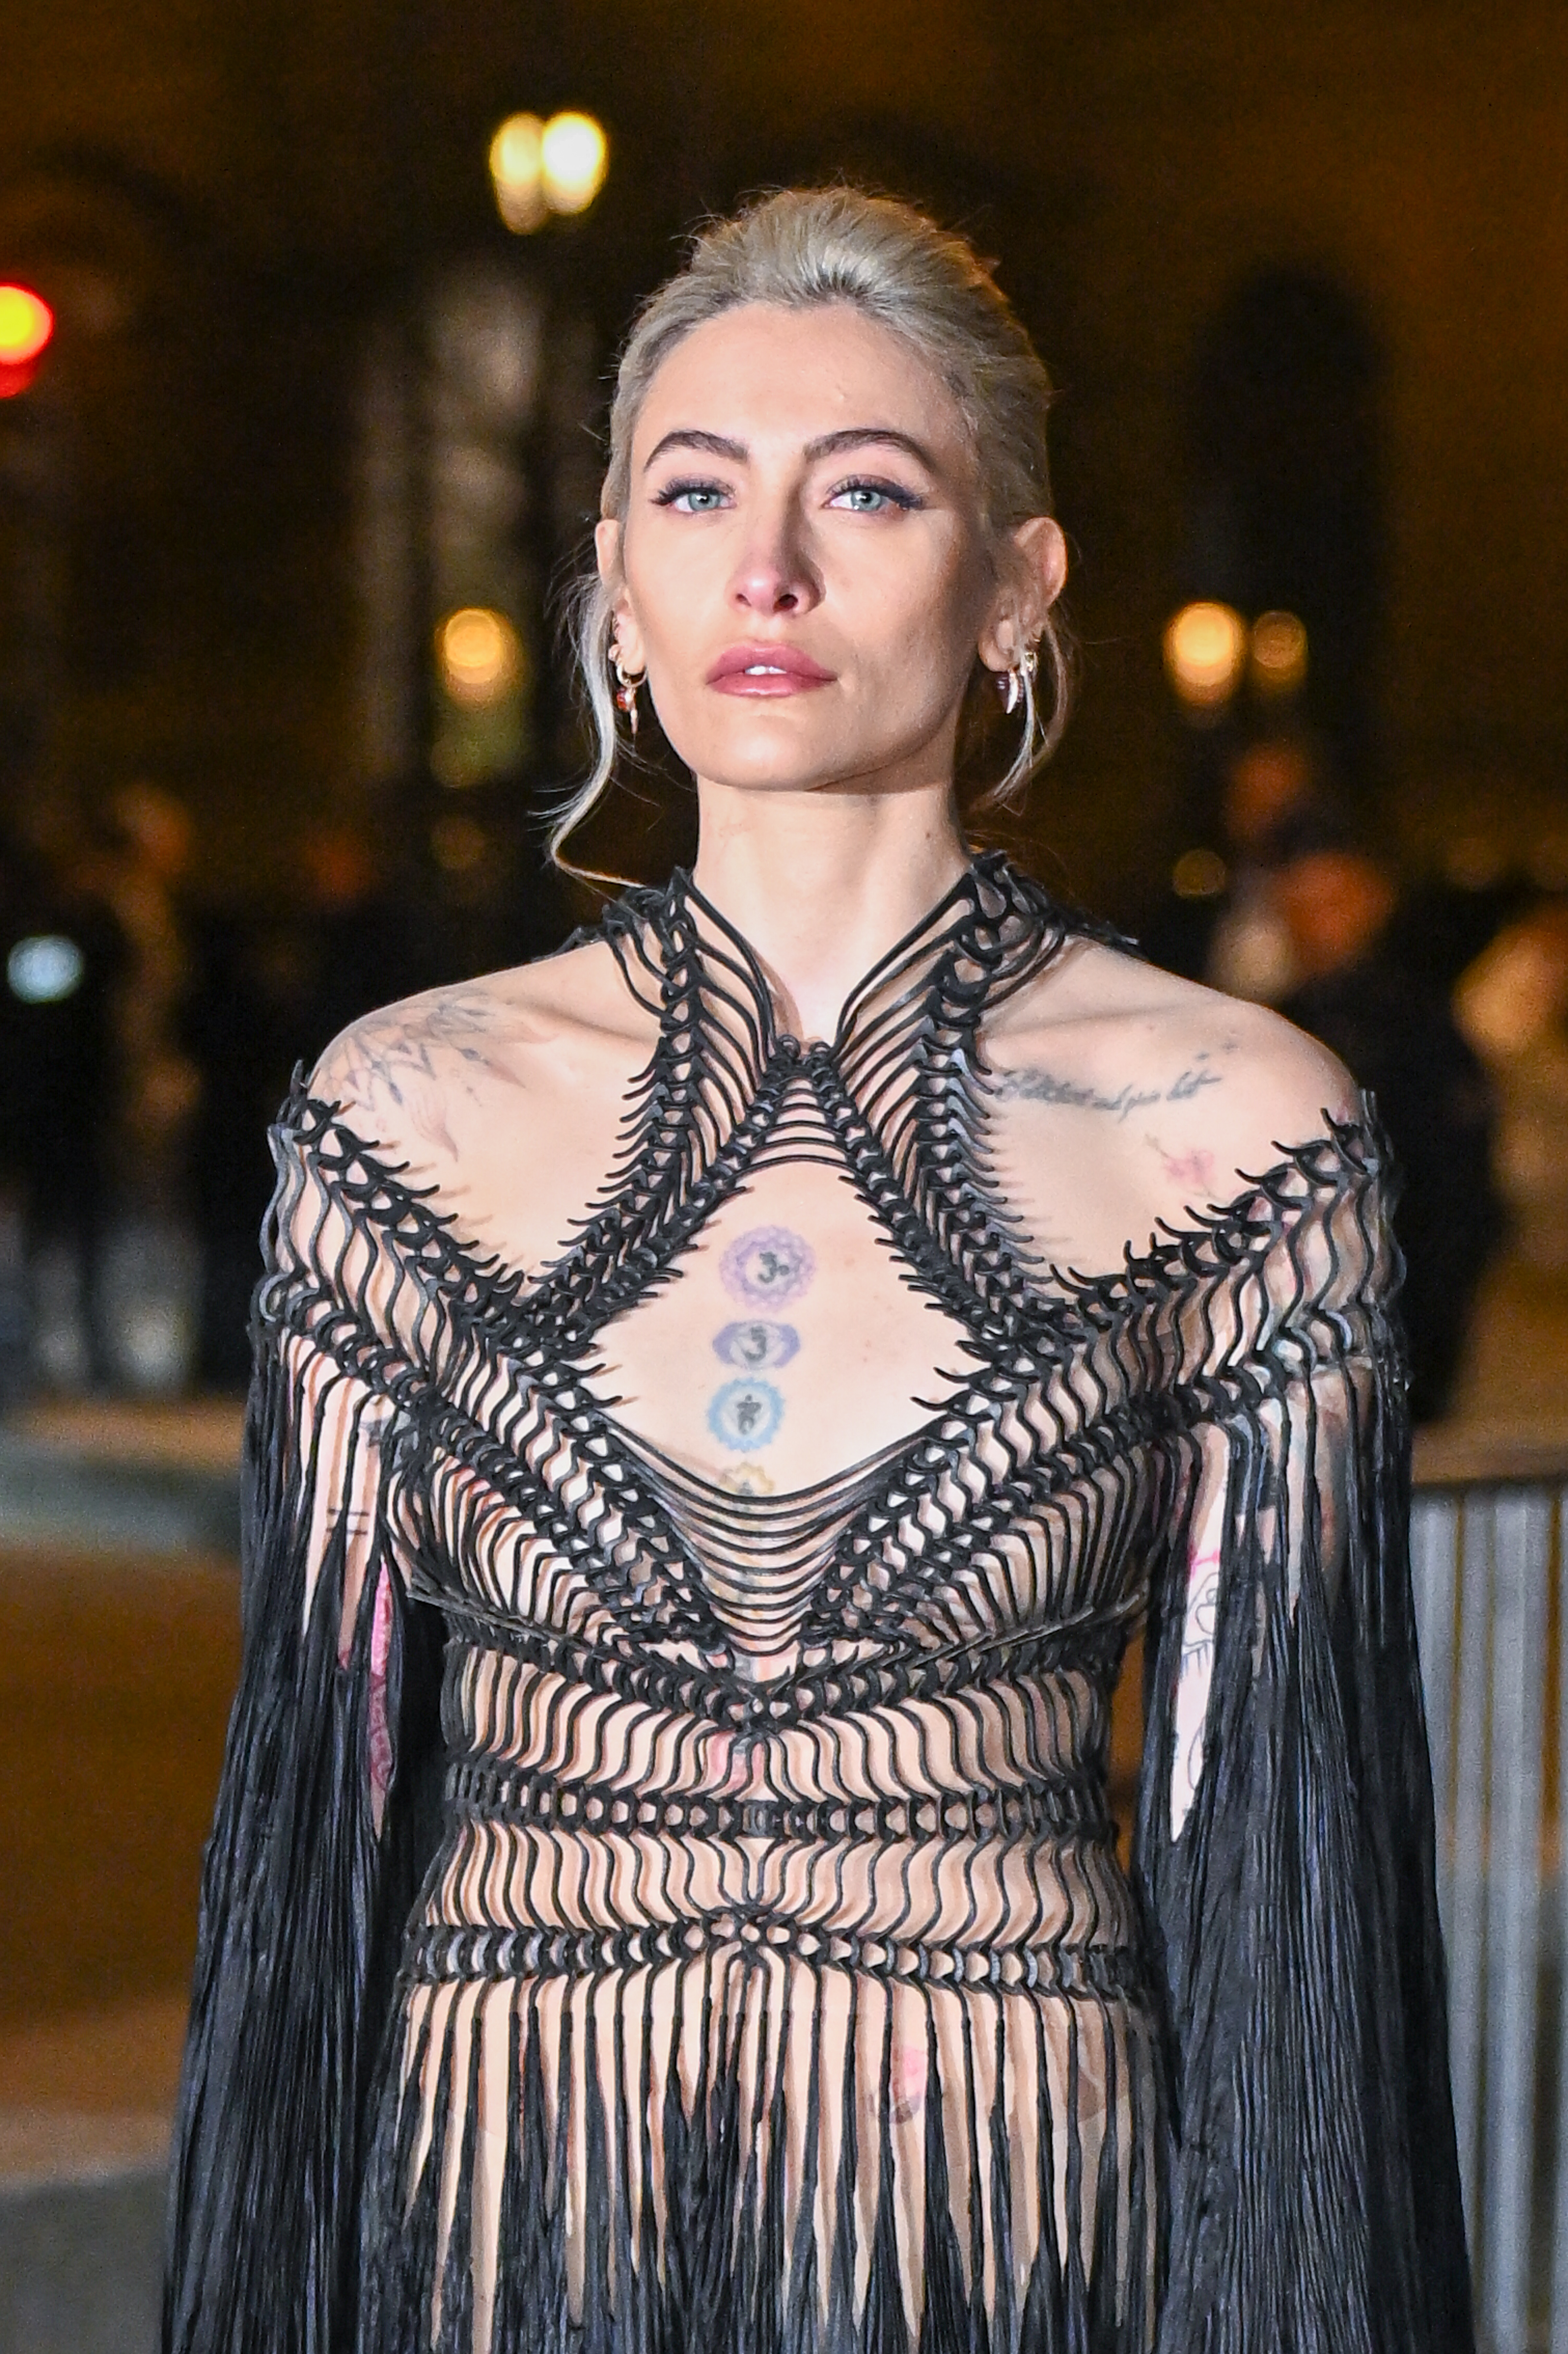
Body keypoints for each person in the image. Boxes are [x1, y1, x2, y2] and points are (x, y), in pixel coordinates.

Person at [165, 191, 1471, 2354]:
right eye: (695, 491)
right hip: (501, 2239)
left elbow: (1292, 1931)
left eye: (865, 491)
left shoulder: (1233, 1130)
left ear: (1016, 588)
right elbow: (298, 1885)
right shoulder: (402, 1117)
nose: (763, 570)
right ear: (614, 582)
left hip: (1009, 2235)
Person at [1273, 820, 1501, 1422]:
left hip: (1403, 1312)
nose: (1317, 927)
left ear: (1375, 900)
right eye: (1299, 909)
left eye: (1333, 904)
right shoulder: (1273, 1024)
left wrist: (1424, 1333)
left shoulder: (1420, 1027)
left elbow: (1457, 1197)